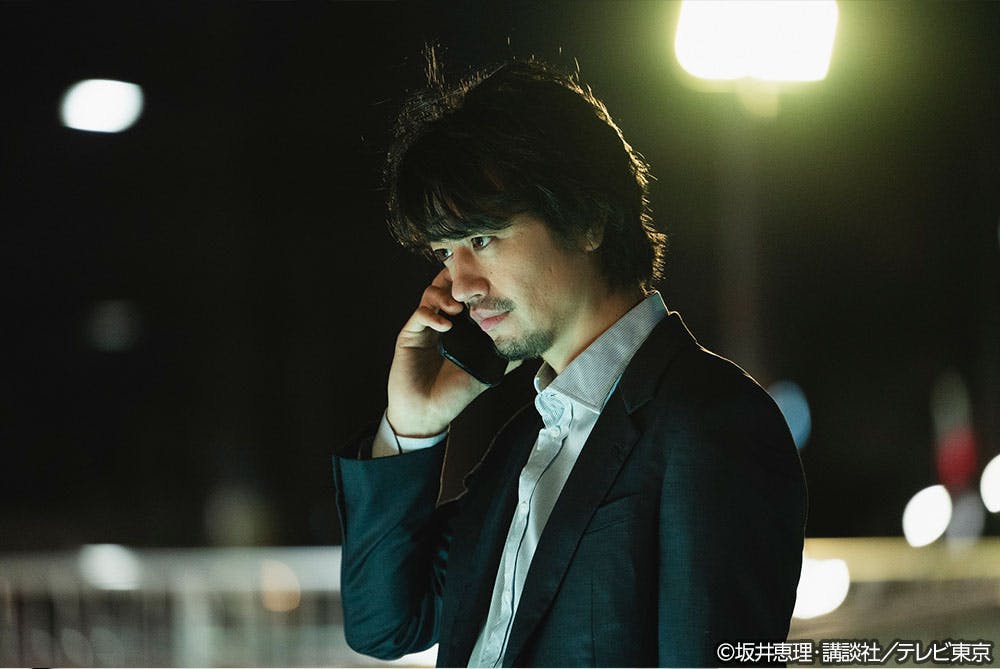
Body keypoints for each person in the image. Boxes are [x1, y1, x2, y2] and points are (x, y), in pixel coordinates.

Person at [332, 57, 807, 668]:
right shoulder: (523, 445)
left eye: (481, 239)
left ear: (585, 220)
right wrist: (413, 426)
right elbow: (384, 625)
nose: (462, 284)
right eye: (445, 251)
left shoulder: (711, 422)